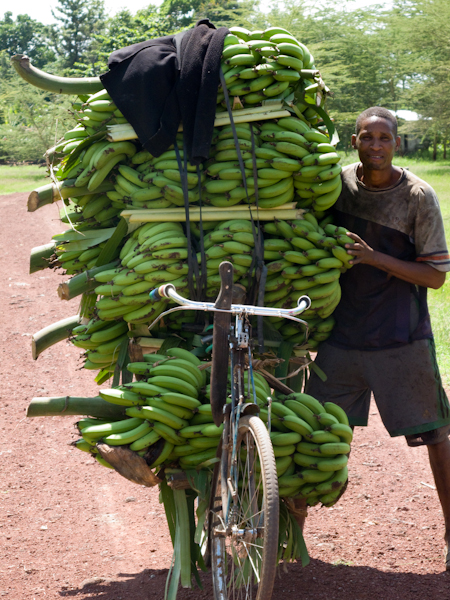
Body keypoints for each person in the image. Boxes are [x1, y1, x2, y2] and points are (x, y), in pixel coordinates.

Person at [304, 106, 450, 569]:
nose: (376, 147)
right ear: (355, 142)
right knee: (312, 434)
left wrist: (373, 258)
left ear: (397, 144)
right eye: (367, 138)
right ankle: (290, 535)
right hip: (340, 338)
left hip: (400, 338)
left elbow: (435, 276)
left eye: (384, 139)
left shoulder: (417, 197)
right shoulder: (338, 185)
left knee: (436, 435)